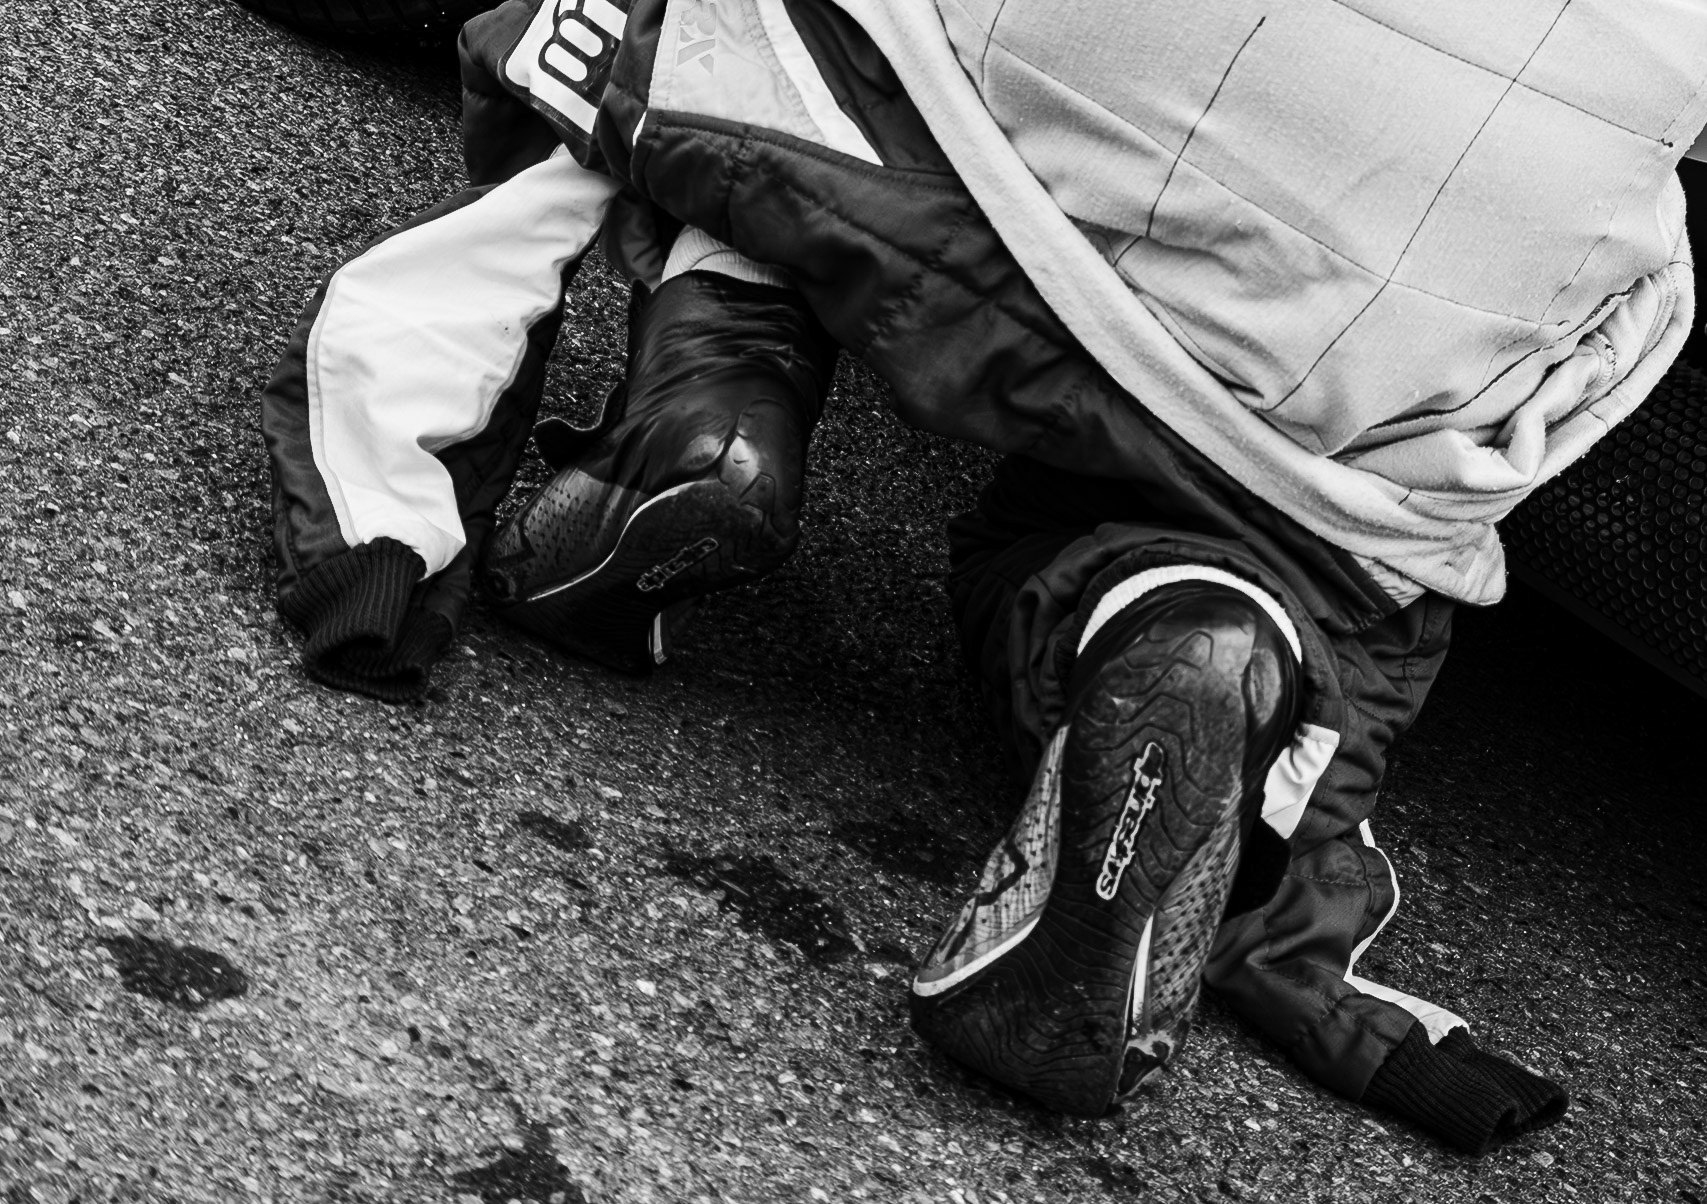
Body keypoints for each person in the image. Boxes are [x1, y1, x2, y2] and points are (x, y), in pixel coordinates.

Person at [260, 0, 1706, 1154]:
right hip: (1412, 284)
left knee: (727, 80)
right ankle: (1206, 624)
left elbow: (591, 113)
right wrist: (1316, 964)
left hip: (1012, 116)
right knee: (1284, 536)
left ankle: (719, 387)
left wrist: (378, 543)